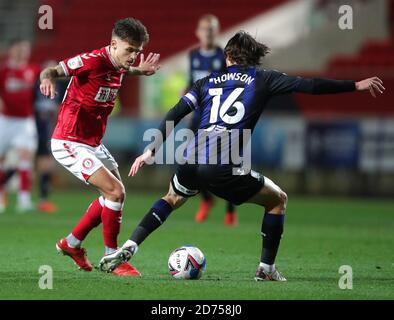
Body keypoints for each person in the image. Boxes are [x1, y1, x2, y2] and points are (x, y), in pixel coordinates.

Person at [99, 31, 384, 280]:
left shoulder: (207, 81)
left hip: (190, 157)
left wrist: (152, 148)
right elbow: (308, 85)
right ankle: (266, 269)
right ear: (253, 58)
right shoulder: (264, 78)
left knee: (171, 199)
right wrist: (354, 85)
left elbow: (176, 113)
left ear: (227, 56)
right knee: (278, 200)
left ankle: (131, 246)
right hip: (221, 166)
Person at [39, 18, 160, 276]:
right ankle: (111, 258)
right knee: (114, 192)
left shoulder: (119, 63)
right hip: (69, 141)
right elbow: (53, 70)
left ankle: (71, 244)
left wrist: (141, 70)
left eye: (137, 51)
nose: (133, 56)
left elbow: (124, 69)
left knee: (115, 195)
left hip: (92, 143)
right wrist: (46, 79)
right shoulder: (91, 61)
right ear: (113, 44)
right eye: (130, 50)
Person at [188, 14, 237, 226]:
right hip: (199, 117)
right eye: (204, 29)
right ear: (198, 32)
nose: (208, 33)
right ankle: (207, 199)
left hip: (220, 116)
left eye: (212, 29)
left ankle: (230, 210)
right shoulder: (192, 55)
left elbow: (233, 83)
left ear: (217, 32)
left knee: (228, 163)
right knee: (190, 161)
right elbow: (191, 82)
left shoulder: (223, 56)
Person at [0, 39, 40, 213]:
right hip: (5, 120)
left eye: (25, 49)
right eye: (19, 49)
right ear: (11, 51)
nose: (23, 53)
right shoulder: (4, 70)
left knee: (26, 156)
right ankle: (1, 197)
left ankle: (24, 200)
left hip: (25, 121)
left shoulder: (32, 70)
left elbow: (49, 73)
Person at [34, 60, 67, 213]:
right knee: (19, 163)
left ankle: (43, 200)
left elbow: (60, 107)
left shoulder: (59, 87)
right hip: (32, 129)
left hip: (47, 131)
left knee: (46, 165)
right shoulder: (35, 87)